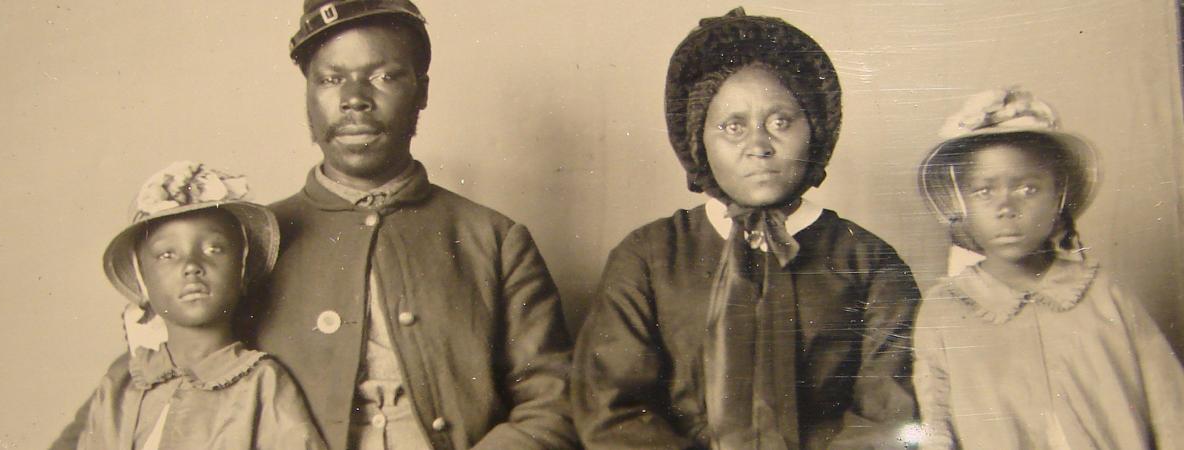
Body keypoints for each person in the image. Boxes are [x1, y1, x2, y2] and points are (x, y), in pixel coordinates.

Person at [572, 8, 921, 450]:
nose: (758, 146)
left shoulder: (869, 262)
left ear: (815, 130)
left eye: (780, 122)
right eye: (733, 127)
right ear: (699, 140)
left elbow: (887, 415)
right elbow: (613, 411)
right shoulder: (648, 257)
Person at [238, 1, 577, 449]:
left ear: (422, 92)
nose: (354, 98)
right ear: (308, 95)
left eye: (383, 76)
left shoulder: (494, 239)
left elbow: (552, 404)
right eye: (331, 79)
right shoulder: (252, 242)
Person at [913, 88, 1184, 449]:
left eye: (1028, 188)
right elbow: (936, 423)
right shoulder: (945, 309)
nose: (1005, 207)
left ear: (1059, 199)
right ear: (961, 204)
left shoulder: (1104, 294)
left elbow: (1171, 407)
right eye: (983, 191)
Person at [75, 161, 325, 449]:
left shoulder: (262, 385)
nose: (192, 266)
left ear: (241, 269)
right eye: (167, 254)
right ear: (142, 280)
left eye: (213, 249)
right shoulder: (122, 387)